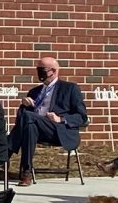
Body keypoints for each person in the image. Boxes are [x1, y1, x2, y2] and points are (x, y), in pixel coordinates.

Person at [7, 56, 87, 184]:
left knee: (29, 118)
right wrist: (25, 105)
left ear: (53, 71)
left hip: (57, 130)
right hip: (35, 130)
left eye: (42, 70)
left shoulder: (70, 88)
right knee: (29, 123)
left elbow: (82, 117)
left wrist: (60, 119)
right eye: (38, 69)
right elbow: (21, 118)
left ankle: (6, 154)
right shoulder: (34, 91)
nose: (39, 73)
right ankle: (26, 172)